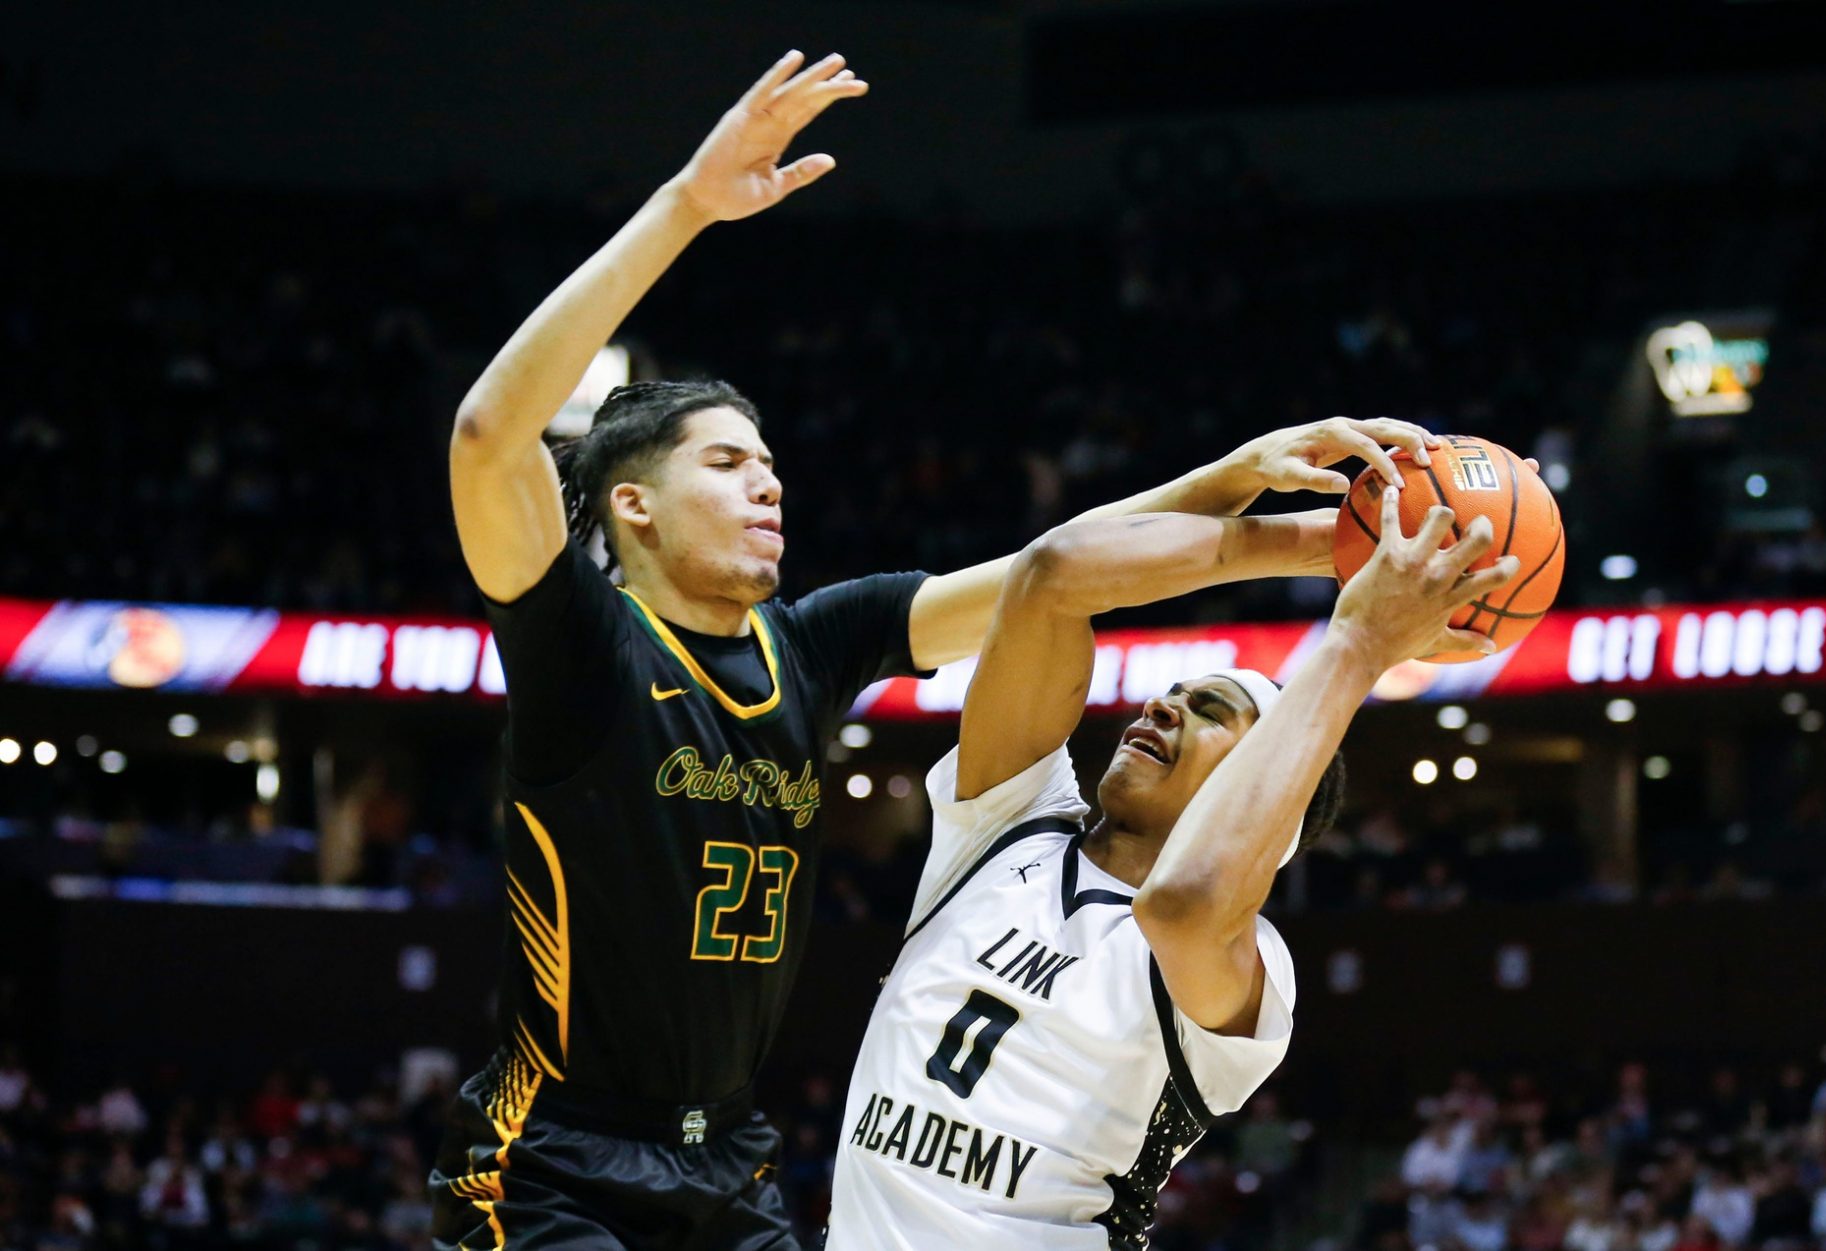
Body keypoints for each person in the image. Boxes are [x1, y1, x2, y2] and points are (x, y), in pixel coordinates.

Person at [434, 48, 1440, 1251]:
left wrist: (1268, 513)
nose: (768, 484)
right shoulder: (584, 646)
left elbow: (1043, 580)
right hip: (557, 1156)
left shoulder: (812, 643)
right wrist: (690, 204)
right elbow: (493, 434)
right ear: (632, 507)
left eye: (770, 465)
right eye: (725, 463)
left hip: (730, 1166)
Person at [828, 489, 1515, 1247]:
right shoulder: (1005, 828)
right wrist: (1308, 536)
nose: (1160, 707)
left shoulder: (1253, 965)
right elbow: (1052, 572)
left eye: (1211, 710)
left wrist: (1359, 643)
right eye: (1171, 694)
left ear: (1267, 788)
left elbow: (1183, 902)